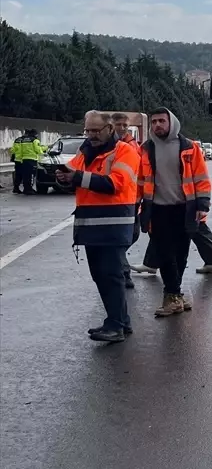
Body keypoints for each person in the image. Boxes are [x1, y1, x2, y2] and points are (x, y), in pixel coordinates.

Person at [55, 112, 140, 343]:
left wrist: (76, 177)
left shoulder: (125, 151)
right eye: (88, 130)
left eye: (96, 131)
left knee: (110, 275)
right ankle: (121, 320)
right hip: (91, 225)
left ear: (110, 129)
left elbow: (115, 183)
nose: (91, 135)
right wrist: (63, 178)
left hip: (114, 224)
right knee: (100, 275)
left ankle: (115, 326)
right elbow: (73, 173)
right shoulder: (85, 152)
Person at [139, 108, 212, 317]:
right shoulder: (146, 148)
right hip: (157, 209)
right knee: (164, 254)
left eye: (161, 121)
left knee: (181, 254)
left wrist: (202, 204)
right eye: (153, 122)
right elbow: (140, 180)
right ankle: (172, 295)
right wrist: (134, 206)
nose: (157, 126)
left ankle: (176, 296)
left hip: (184, 208)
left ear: (172, 122)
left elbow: (201, 178)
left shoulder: (189, 147)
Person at [112, 113, 140, 288]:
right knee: (121, 238)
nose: (122, 128)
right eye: (119, 125)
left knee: (133, 235)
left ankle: (117, 265)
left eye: (125, 125)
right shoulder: (110, 145)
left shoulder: (133, 144)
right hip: (117, 199)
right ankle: (124, 272)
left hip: (134, 198)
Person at [11, 129, 45, 195]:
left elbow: (13, 150)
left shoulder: (18, 140)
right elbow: (38, 150)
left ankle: (17, 188)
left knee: (20, 175)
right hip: (30, 159)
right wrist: (43, 153)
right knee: (30, 175)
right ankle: (28, 189)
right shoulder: (34, 140)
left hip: (19, 159)